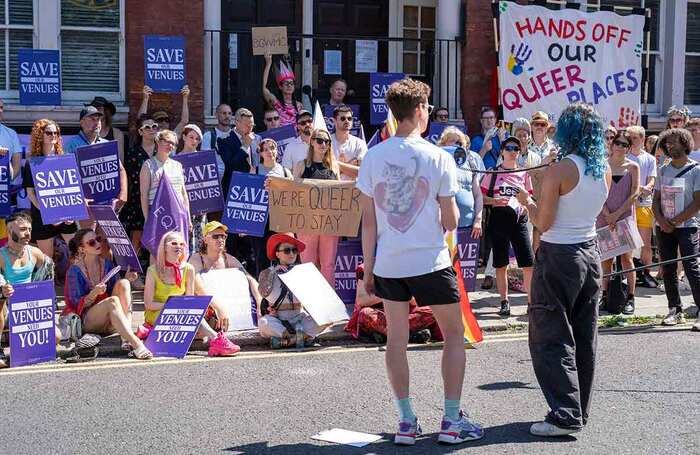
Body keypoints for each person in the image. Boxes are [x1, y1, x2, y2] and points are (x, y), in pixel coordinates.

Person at [357, 78, 483, 445]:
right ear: (419, 111)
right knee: (454, 335)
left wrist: (368, 267)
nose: (428, 113)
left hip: (389, 264)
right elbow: (451, 220)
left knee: (397, 339)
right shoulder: (439, 156)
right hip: (430, 260)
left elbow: (368, 220)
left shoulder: (373, 156)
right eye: (427, 108)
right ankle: (450, 419)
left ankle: (407, 421)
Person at [515, 102, 611, 437]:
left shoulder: (560, 169)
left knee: (550, 334)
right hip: (589, 252)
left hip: (558, 254)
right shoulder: (603, 169)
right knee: (584, 335)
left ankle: (564, 413)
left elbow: (544, 221)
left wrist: (528, 203)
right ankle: (578, 408)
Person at [140, 231, 241, 355]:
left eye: (182, 244)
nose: (179, 246)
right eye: (174, 243)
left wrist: (181, 306)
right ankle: (216, 340)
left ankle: (216, 341)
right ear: (165, 247)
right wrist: (173, 304)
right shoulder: (152, 270)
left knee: (192, 313)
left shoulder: (188, 269)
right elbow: (149, 304)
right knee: (187, 315)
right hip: (156, 313)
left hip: (179, 312)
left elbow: (188, 301)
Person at [64, 229, 152, 359]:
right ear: (82, 249)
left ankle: (125, 337)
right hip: (88, 322)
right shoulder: (74, 271)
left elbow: (117, 293)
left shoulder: (107, 264)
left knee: (124, 283)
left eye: (98, 239)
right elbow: (75, 304)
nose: (98, 244)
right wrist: (92, 294)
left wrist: (128, 279)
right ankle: (136, 344)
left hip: (110, 320)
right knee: (112, 301)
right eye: (92, 242)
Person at [480, 136, 535, 317]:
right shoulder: (493, 173)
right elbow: (480, 197)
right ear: (502, 151)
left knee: (527, 263)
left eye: (516, 149)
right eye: (509, 148)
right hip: (499, 219)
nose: (512, 151)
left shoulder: (524, 173)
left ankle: (531, 303)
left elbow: (530, 198)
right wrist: (494, 200)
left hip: (519, 220)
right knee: (500, 264)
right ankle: (504, 302)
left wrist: (525, 204)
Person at [652, 128, 700, 331]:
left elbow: (697, 202)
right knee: (668, 269)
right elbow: (655, 201)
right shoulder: (663, 170)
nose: (670, 146)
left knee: (692, 268)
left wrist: (676, 221)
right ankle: (675, 309)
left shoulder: (696, 170)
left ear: (685, 142)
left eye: (674, 142)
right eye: (667, 143)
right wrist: (662, 221)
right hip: (664, 227)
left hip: (687, 227)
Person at [0, 212, 57, 368]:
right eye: (23, 229)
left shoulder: (34, 252)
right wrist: (3, 288)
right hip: (6, 307)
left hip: (28, 310)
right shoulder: (1, 255)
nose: (28, 234)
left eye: (30, 229)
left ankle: (22, 351)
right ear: (9, 230)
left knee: (56, 337)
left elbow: (48, 274)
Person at [596, 131, 640, 315]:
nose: (621, 147)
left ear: (629, 148)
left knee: (627, 259)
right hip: (603, 217)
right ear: (611, 145)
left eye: (625, 144)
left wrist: (617, 214)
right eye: (618, 143)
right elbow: (597, 193)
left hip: (624, 217)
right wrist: (608, 214)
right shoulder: (601, 165)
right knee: (606, 260)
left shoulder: (633, 167)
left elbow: (635, 193)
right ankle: (605, 296)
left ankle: (630, 297)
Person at [345, 263, 441, 344]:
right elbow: (362, 300)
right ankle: (410, 335)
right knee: (365, 313)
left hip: (405, 312)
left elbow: (417, 300)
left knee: (433, 311)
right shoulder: (367, 268)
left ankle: (388, 334)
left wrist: (407, 296)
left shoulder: (411, 266)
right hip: (380, 313)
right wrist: (389, 294)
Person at [23, 119, 78, 259]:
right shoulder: (33, 162)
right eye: (49, 132)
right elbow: (30, 193)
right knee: (47, 261)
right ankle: (51, 282)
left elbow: (73, 189)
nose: (53, 135)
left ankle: (73, 281)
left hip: (66, 216)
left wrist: (72, 213)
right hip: (43, 217)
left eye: (56, 132)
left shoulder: (65, 160)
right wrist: (49, 213)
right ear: (40, 135)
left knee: (77, 255)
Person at [293, 128, 341, 287]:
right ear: (312, 142)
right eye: (319, 140)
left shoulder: (334, 166)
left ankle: (330, 304)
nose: (323, 144)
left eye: (327, 141)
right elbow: (291, 192)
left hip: (329, 222)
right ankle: (309, 303)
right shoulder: (301, 165)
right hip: (307, 222)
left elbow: (342, 194)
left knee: (328, 265)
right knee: (308, 265)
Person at [64, 106, 128, 223]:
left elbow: (121, 170)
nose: (97, 123)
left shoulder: (106, 144)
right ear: (82, 122)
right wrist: (78, 199)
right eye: (92, 119)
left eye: (99, 120)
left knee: (106, 239)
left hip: (108, 203)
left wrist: (123, 193)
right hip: (86, 205)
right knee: (89, 239)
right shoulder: (71, 145)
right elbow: (66, 177)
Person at [257, 233, 322, 348]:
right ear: (277, 254)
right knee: (263, 323)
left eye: (294, 250)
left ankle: (289, 341)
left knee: (326, 317)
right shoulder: (267, 272)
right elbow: (263, 292)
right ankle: (303, 338)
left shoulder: (304, 272)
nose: (292, 254)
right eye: (287, 250)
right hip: (279, 319)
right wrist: (274, 272)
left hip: (300, 319)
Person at [190, 221, 263, 315]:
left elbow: (250, 279)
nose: (220, 239)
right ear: (205, 239)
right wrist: (217, 307)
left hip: (227, 308)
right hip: (204, 308)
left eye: (223, 236)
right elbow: (198, 287)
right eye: (215, 236)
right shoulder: (197, 259)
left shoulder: (228, 259)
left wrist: (259, 303)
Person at [176, 124, 225, 253]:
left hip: (200, 208)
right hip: (183, 207)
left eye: (197, 139)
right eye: (191, 137)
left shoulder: (204, 158)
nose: (194, 141)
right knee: (184, 240)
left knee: (200, 241)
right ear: (184, 137)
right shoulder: (175, 159)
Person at [120, 116, 158, 258]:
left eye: (154, 126)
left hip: (157, 199)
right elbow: (129, 178)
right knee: (137, 236)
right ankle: (133, 270)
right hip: (137, 198)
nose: (151, 129)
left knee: (157, 236)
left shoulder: (161, 151)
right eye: (147, 127)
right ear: (140, 132)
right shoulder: (133, 152)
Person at [139, 130, 190, 234]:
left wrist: (187, 217)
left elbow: (184, 194)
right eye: (167, 141)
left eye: (173, 143)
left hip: (178, 215)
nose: (170, 145)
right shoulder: (148, 165)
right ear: (158, 141)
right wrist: (147, 220)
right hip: (158, 215)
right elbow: (144, 195)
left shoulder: (178, 165)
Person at [254, 139, 293, 274]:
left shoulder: (285, 171)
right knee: (261, 255)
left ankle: (281, 288)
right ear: (261, 153)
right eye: (265, 149)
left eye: (272, 148)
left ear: (277, 151)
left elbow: (293, 195)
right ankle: (264, 289)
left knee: (281, 254)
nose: (269, 151)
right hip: (260, 220)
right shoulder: (255, 170)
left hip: (280, 220)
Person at [626, 125, 658, 288]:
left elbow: (652, 178)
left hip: (644, 204)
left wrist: (648, 187)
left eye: (634, 137)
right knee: (629, 242)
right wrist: (639, 189)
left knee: (645, 242)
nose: (631, 140)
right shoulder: (625, 157)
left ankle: (645, 273)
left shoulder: (650, 159)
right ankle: (629, 273)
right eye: (629, 137)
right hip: (627, 205)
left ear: (642, 139)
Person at [262, 55, 303, 126]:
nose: (289, 86)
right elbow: (264, 89)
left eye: (291, 83)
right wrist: (268, 63)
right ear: (280, 87)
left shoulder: (299, 105)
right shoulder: (276, 103)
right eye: (286, 83)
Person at [330, 105, 366, 180]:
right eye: (343, 118)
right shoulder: (327, 142)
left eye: (349, 118)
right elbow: (325, 172)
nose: (347, 121)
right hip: (331, 189)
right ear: (334, 121)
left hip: (353, 190)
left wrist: (336, 164)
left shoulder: (360, 143)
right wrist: (350, 165)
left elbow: (362, 172)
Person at [88, 96, 126, 162]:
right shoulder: (87, 133)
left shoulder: (117, 134)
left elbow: (120, 160)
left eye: (99, 109)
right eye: (93, 109)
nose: (96, 112)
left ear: (106, 112)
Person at [0, 98, 23, 182]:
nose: (0, 111)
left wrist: (6, 182)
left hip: (4, 190)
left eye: (1, 107)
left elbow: (16, 166)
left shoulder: (11, 133)